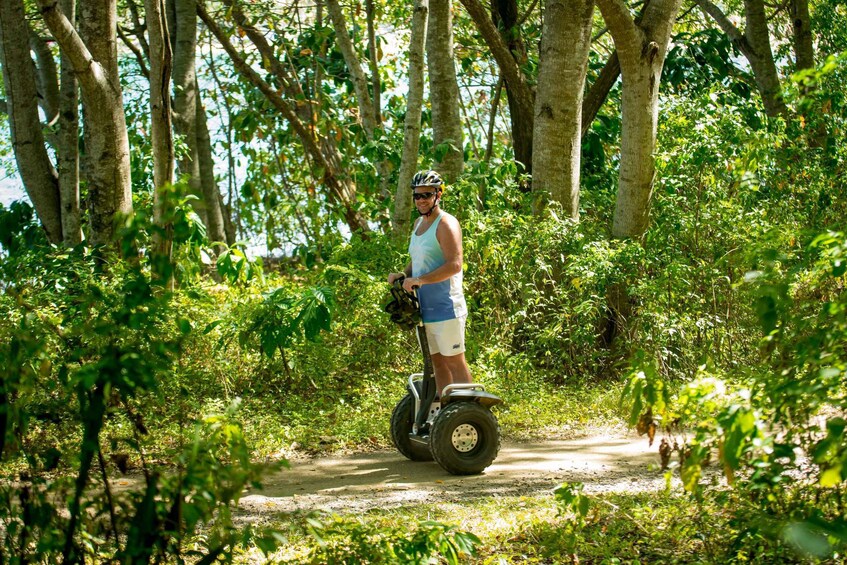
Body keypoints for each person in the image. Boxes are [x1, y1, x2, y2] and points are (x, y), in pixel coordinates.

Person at [387, 170, 472, 400]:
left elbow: (455, 265)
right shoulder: (418, 224)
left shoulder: (446, 224)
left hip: (447, 307)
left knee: (454, 361)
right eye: (417, 196)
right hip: (424, 309)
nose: (421, 200)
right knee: (437, 364)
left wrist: (421, 280)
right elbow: (418, 260)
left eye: (426, 195)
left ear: (438, 195)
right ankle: (447, 412)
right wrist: (403, 275)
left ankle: (467, 413)